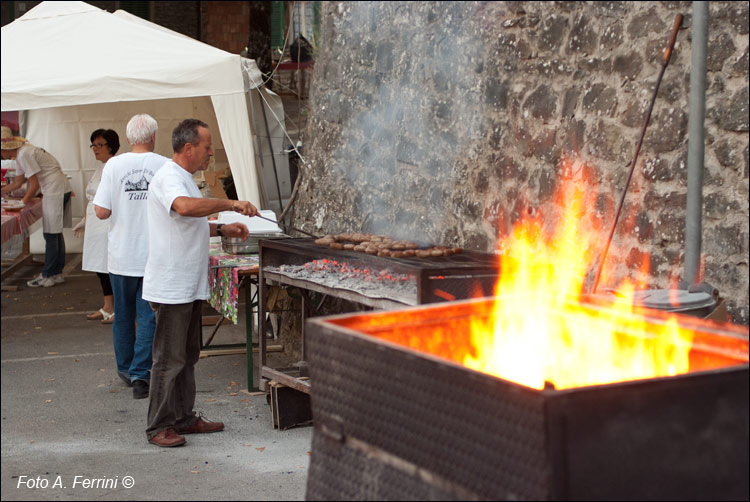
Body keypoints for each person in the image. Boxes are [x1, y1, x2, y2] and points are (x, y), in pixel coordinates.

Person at [143, 118, 257, 447]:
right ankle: (159, 426)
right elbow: (183, 207)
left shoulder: (185, 179)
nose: (210, 152)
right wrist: (230, 204)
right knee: (169, 358)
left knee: (188, 355)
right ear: (188, 147)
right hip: (171, 285)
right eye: (206, 147)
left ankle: (183, 417)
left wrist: (223, 229)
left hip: (188, 284)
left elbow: (186, 222)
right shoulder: (169, 177)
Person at [93, 114, 168, 399]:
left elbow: (101, 211)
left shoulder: (114, 164)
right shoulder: (164, 165)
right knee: (148, 315)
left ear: (127, 139)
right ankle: (141, 374)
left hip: (121, 254)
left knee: (123, 315)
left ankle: (126, 370)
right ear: (153, 137)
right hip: (153, 254)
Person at [1, 126, 72, 287]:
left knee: (51, 234)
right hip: (57, 188)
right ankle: (56, 272)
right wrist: (3, 191)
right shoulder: (21, 153)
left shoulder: (24, 153)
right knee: (55, 233)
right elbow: (18, 182)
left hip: (55, 190)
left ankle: (49, 274)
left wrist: (22, 202)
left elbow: (33, 184)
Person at [73, 129, 120, 324]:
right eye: (93, 145)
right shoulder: (100, 167)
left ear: (111, 146)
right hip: (95, 224)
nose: (95, 149)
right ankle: (107, 307)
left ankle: (119, 309)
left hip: (106, 223)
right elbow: (93, 197)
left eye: (100, 145)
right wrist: (85, 220)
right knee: (100, 268)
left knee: (111, 267)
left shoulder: (114, 166)